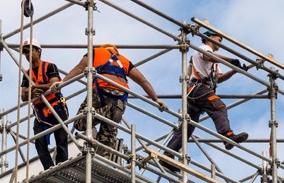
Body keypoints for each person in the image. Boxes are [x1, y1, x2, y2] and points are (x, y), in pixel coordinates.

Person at [51, 43, 168, 159]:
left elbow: (80, 68)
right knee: (107, 136)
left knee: (79, 123)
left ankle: (111, 110)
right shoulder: (124, 61)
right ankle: (102, 160)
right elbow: (143, 81)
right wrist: (156, 99)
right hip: (121, 96)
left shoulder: (96, 52)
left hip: (100, 90)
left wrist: (62, 83)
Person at [160, 30, 248, 172]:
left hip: (197, 91)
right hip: (199, 89)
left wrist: (234, 70)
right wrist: (231, 60)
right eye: (218, 39)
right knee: (219, 107)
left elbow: (218, 78)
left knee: (187, 127)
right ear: (209, 38)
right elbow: (209, 57)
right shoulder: (204, 49)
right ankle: (227, 136)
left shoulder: (214, 61)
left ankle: (167, 155)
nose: (219, 43)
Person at [21, 38, 69, 170]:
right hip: (40, 111)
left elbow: (55, 84)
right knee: (39, 142)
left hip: (55, 107)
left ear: (38, 51)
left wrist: (38, 87)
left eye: (29, 51)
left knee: (61, 139)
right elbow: (23, 96)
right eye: (25, 52)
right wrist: (32, 92)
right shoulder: (26, 74)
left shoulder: (49, 66)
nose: (27, 54)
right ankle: (49, 168)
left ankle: (62, 167)